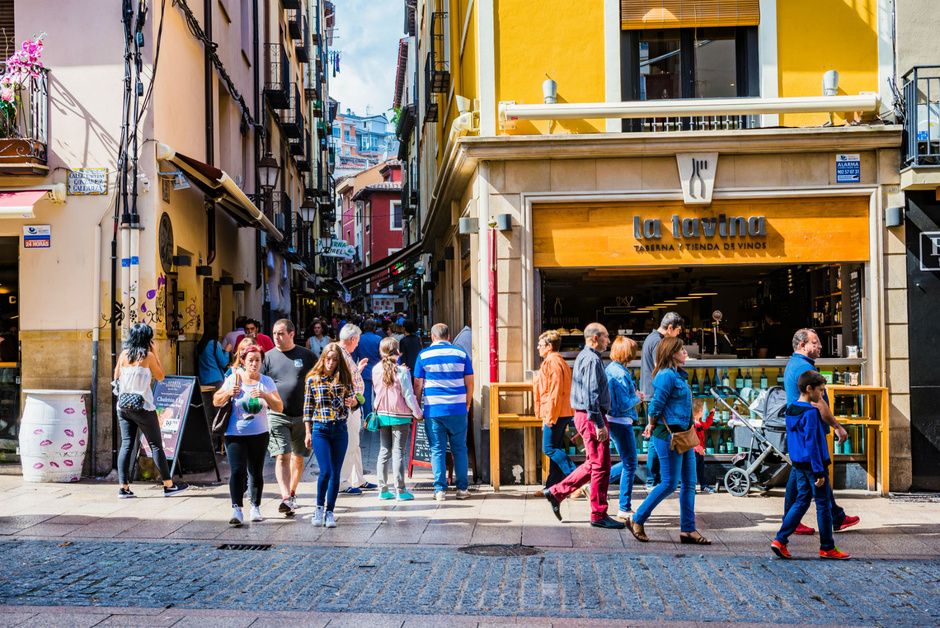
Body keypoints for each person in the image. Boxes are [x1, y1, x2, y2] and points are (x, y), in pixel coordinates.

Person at [627, 337, 710, 545]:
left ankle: (688, 530)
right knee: (669, 483)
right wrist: (651, 424)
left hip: (684, 435)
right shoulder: (666, 376)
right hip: (668, 436)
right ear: (672, 353)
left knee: (689, 483)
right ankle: (637, 518)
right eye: (682, 350)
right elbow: (655, 406)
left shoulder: (678, 375)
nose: (685, 353)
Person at [543, 323, 624, 529]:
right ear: (595, 338)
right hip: (591, 416)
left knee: (594, 464)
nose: (609, 341)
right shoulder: (591, 359)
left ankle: (556, 492)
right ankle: (598, 514)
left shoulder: (587, 357)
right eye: (606, 336)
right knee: (601, 466)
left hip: (587, 416)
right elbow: (590, 394)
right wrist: (598, 423)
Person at [782, 329, 860, 535]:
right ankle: (819, 525)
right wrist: (837, 426)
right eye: (815, 342)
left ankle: (834, 516)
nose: (820, 346)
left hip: (800, 429)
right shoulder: (804, 368)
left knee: (800, 473)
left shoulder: (794, 364)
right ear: (802, 345)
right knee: (815, 476)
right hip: (809, 429)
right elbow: (820, 403)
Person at [772, 371, 851, 560]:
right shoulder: (811, 413)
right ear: (809, 389)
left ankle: (780, 540)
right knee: (823, 504)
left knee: (801, 500)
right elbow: (813, 443)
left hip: (799, 463)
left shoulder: (791, 409)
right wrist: (819, 471)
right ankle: (827, 547)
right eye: (820, 390)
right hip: (814, 464)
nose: (822, 394)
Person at [114, 323, 189, 498]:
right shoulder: (147, 356)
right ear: (147, 339)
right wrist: (155, 353)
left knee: (126, 444)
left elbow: (116, 375)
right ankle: (168, 485)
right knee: (156, 445)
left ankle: (123, 488)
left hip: (123, 406)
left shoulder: (124, 354)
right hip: (143, 407)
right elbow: (161, 376)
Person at [213, 343, 282, 525]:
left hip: (259, 434)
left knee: (256, 472)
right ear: (243, 361)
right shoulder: (234, 379)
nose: (254, 364)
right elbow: (216, 400)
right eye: (250, 360)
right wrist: (229, 393)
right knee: (237, 471)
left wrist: (265, 395)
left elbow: (279, 407)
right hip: (234, 434)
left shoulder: (266, 382)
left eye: (257, 360)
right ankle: (236, 509)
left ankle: (255, 507)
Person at [413, 323, 474, 501]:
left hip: (434, 410)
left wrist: (417, 407)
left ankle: (440, 490)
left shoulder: (423, 355)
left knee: (437, 449)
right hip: (458, 408)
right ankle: (462, 489)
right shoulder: (461, 354)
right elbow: (470, 381)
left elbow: (418, 384)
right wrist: (467, 402)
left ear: (433, 337)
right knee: (460, 448)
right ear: (449, 336)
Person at [263, 319, 317, 516]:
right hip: (277, 415)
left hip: (302, 415)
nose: (276, 337)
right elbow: (259, 381)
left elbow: (318, 378)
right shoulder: (267, 357)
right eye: (274, 333)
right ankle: (285, 497)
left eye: (281, 333)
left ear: (292, 334)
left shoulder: (307, 355)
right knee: (282, 455)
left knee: (298, 457)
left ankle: (292, 492)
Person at [303, 342, 359, 528]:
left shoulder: (344, 378)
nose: (331, 362)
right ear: (323, 359)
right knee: (325, 471)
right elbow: (308, 408)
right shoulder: (313, 380)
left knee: (336, 473)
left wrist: (354, 403)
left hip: (340, 429)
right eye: (328, 359)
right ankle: (319, 508)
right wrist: (307, 432)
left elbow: (355, 400)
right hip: (321, 429)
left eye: (334, 360)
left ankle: (330, 511)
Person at [372, 337, 422, 500]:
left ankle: (383, 489)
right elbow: (409, 395)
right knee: (398, 452)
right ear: (398, 352)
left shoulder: (375, 369)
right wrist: (418, 413)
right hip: (400, 416)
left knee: (384, 451)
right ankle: (401, 490)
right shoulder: (402, 371)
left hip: (382, 414)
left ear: (381, 351)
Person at [640, 312, 683, 489]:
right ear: (670, 328)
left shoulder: (651, 338)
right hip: (656, 394)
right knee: (656, 436)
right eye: (678, 331)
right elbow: (661, 368)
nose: (678, 335)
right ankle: (653, 479)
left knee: (655, 436)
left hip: (651, 393)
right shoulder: (658, 342)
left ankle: (654, 479)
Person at [533, 330, 576, 493]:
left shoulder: (552, 362)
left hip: (556, 412)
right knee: (555, 448)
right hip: (561, 411)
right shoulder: (559, 361)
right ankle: (552, 487)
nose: (538, 348)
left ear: (549, 346)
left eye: (540, 345)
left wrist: (549, 417)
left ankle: (578, 478)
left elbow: (554, 392)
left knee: (549, 448)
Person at [606, 336, 641, 519]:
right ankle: (624, 507)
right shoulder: (620, 373)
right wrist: (638, 398)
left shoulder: (612, 369)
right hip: (620, 421)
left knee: (629, 462)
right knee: (630, 463)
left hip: (614, 420)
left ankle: (595, 483)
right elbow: (623, 404)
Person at [337, 323, 373, 494]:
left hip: (353, 404)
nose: (358, 344)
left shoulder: (344, 354)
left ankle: (357, 478)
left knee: (355, 444)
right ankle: (342, 482)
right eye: (357, 341)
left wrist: (358, 370)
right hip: (348, 406)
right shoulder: (338, 354)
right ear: (352, 339)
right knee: (350, 444)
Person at [353, 319, 383, 418]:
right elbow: (382, 356)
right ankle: (379, 416)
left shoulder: (359, 339)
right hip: (378, 371)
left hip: (364, 370)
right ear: (374, 327)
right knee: (379, 395)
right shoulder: (379, 339)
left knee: (366, 397)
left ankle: (368, 418)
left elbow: (354, 358)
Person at [692, 398, 716, 494]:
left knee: (700, 469)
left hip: (700, 452)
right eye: (702, 410)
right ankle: (692, 487)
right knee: (693, 470)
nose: (703, 412)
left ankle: (703, 485)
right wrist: (698, 448)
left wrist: (711, 414)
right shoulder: (693, 425)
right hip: (694, 452)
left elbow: (707, 425)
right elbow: (692, 439)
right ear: (697, 412)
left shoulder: (700, 423)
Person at [196, 322, 229, 387]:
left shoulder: (200, 344)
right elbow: (224, 363)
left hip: (203, 380)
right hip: (216, 379)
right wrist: (227, 351)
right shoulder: (214, 343)